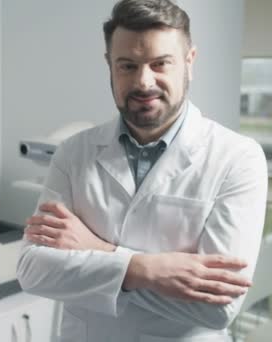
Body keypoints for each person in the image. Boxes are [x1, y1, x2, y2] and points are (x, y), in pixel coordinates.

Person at [16, 0, 268, 341]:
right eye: (127, 66)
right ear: (110, 65)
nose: (143, 81)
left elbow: (217, 307)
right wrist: (145, 269)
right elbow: (34, 271)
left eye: (160, 63)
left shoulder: (238, 159)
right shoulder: (73, 153)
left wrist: (102, 252)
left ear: (189, 62)